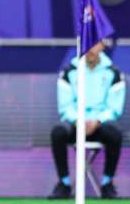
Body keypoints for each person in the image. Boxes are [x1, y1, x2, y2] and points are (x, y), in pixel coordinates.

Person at [48, 43, 125, 199]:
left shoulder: (114, 72)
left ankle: (107, 184)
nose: (90, 49)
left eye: (95, 44)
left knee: (115, 133)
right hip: (76, 125)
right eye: (87, 44)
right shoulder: (69, 71)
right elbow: (65, 106)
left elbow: (114, 108)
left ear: (103, 46)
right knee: (58, 132)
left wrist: (97, 121)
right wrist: (78, 120)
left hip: (100, 125)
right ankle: (64, 184)